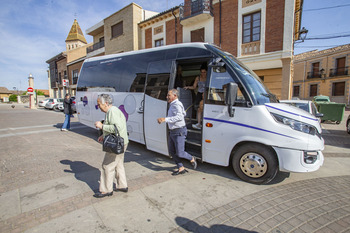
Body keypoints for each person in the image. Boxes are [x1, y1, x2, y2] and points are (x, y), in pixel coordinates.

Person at [93, 94, 129, 198]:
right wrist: (103, 135)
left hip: (116, 144)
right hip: (122, 142)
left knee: (107, 166)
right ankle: (122, 186)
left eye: (99, 104)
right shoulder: (114, 110)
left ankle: (106, 190)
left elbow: (116, 128)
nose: (98, 106)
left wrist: (101, 126)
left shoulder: (112, 111)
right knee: (118, 164)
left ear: (106, 103)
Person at [157, 89, 197, 175]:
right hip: (173, 131)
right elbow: (183, 114)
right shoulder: (173, 104)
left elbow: (179, 117)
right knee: (172, 151)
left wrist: (165, 119)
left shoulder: (177, 104)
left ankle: (191, 158)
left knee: (180, 153)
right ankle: (180, 167)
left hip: (179, 131)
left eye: (169, 95)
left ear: (175, 96)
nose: (167, 97)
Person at [184, 63, 207, 129]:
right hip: (199, 94)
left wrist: (205, 92)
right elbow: (194, 87)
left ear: (206, 72)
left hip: (206, 94)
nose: (203, 74)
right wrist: (188, 87)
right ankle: (199, 123)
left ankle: (202, 123)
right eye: (202, 72)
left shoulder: (208, 77)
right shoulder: (198, 78)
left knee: (204, 108)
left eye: (204, 72)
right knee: (198, 108)